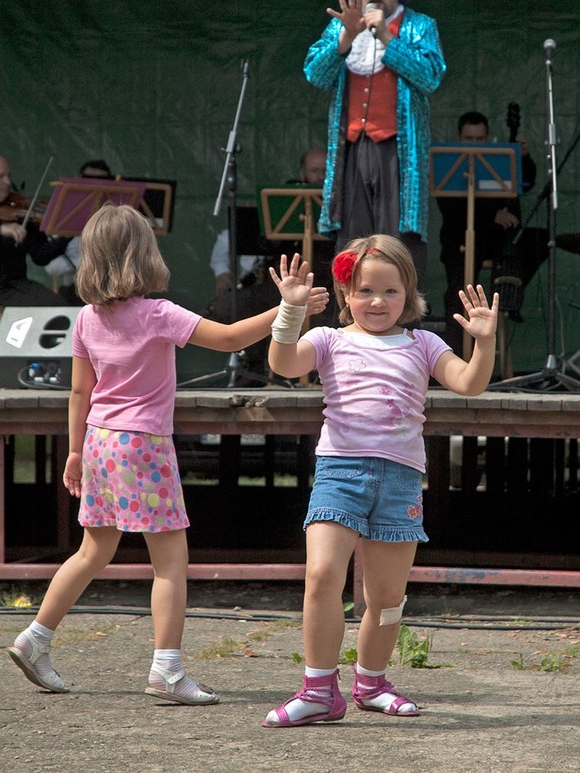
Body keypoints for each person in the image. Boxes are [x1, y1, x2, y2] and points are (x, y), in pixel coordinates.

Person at [8, 203, 328, 704]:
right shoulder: (158, 313)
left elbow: (79, 392)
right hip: (143, 446)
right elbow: (228, 339)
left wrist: (73, 452)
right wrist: (288, 310)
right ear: (143, 255)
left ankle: (34, 638)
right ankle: (168, 670)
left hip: (98, 442)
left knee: (91, 552)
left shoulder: (87, 318)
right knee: (170, 563)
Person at [261, 234, 498, 727]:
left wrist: (484, 340)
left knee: (387, 598)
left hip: (400, 481)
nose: (377, 301)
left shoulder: (423, 343)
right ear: (346, 293)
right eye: (366, 290)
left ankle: (371, 684)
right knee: (322, 575)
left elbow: (470, 383)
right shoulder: (329, 339)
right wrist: (291, 310)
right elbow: (282, 364)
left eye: (391, 291)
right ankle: (319, 690)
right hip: (339, 473)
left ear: (408, 294)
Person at [304, 0, 446, 288]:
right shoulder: (341, 27)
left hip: (399, 152)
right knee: (352, 240)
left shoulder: (419, 25)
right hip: (352, 150)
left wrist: (384, 34)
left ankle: (402, 313)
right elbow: (315, 74)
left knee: (397, 241)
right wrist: (346, 36)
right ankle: (350, 311)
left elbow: (430, 76)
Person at [205, 148, 334, 379]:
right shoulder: (285, 200)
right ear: (303, 173)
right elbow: (235, 238)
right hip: (281, 287)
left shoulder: (345, 201)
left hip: (327, 288)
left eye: (325, 170)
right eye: (314, 171)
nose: (320, 176)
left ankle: (315, 376)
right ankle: (253, 372)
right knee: (232, 306)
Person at [437, 111, 549, 356]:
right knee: (458, 291)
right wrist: (491, 215)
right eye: (469, 139)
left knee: (539, 239)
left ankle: (509, 293)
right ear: (459, 137)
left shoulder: (497, 160)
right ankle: (455, 357)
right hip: (462, 239)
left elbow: (525, 183)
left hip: (496, 239)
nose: (475, 145)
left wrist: (524, 157)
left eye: (480, 139)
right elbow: (451, 211)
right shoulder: (449, 163)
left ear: (487, 138)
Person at [0, 155, 73, 307]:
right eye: (1, 177)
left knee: (57, 308)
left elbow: (40, 256)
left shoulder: (19, 212)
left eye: (8, 176)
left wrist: (66, 236)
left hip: (15, 286)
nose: (7, 182)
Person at [44, 159, 115, 305]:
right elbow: (52, 266)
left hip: (113, 289)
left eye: (101, 182)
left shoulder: (118, 221)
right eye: (88, 180)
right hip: (75, 289)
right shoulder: (66, 219)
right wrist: (91, 264)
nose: (94, 187)